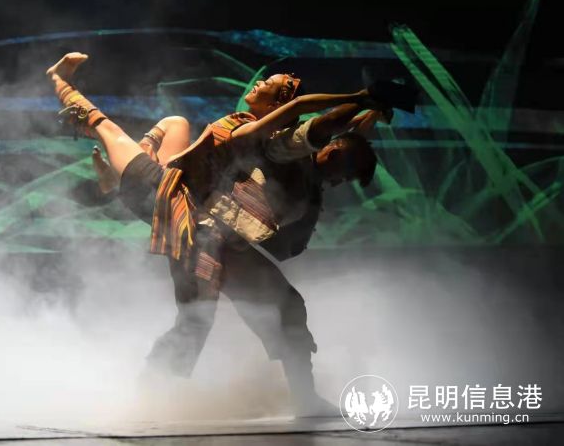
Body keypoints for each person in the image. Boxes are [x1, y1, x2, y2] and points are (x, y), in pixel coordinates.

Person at [46, 52, 404, 415]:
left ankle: (304, 397)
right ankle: (149, 394)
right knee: (196, 315)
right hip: (174, 204)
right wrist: (363, 98)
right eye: (341, 168)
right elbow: (321, 124)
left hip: (215, 230)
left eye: (345, 175)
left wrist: (372, 109)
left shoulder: (308, 165)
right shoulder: (274, 141)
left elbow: (345, 137)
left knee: (287, 306)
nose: (339, 180)